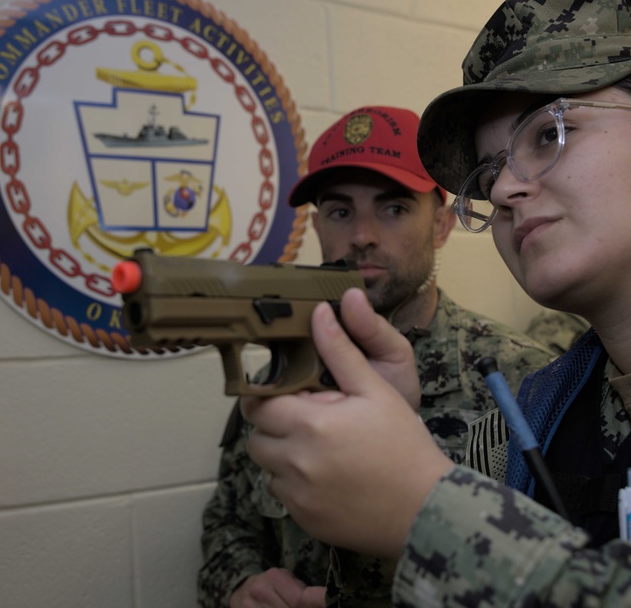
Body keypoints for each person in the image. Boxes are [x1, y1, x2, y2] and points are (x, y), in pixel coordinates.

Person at [241, 0, 631, 605]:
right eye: (489, 171)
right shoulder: (521, 425)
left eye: (547, 133)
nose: (504, 190)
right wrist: (382, 517)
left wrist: (431, 513)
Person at [197, 106, 559, 607]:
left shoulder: (523, 377)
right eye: (340, 212)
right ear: (318, 227)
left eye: (393, 209)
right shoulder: (283, 379)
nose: (362, 235)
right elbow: (227, 524)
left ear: (439, 227)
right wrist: (239, 585)